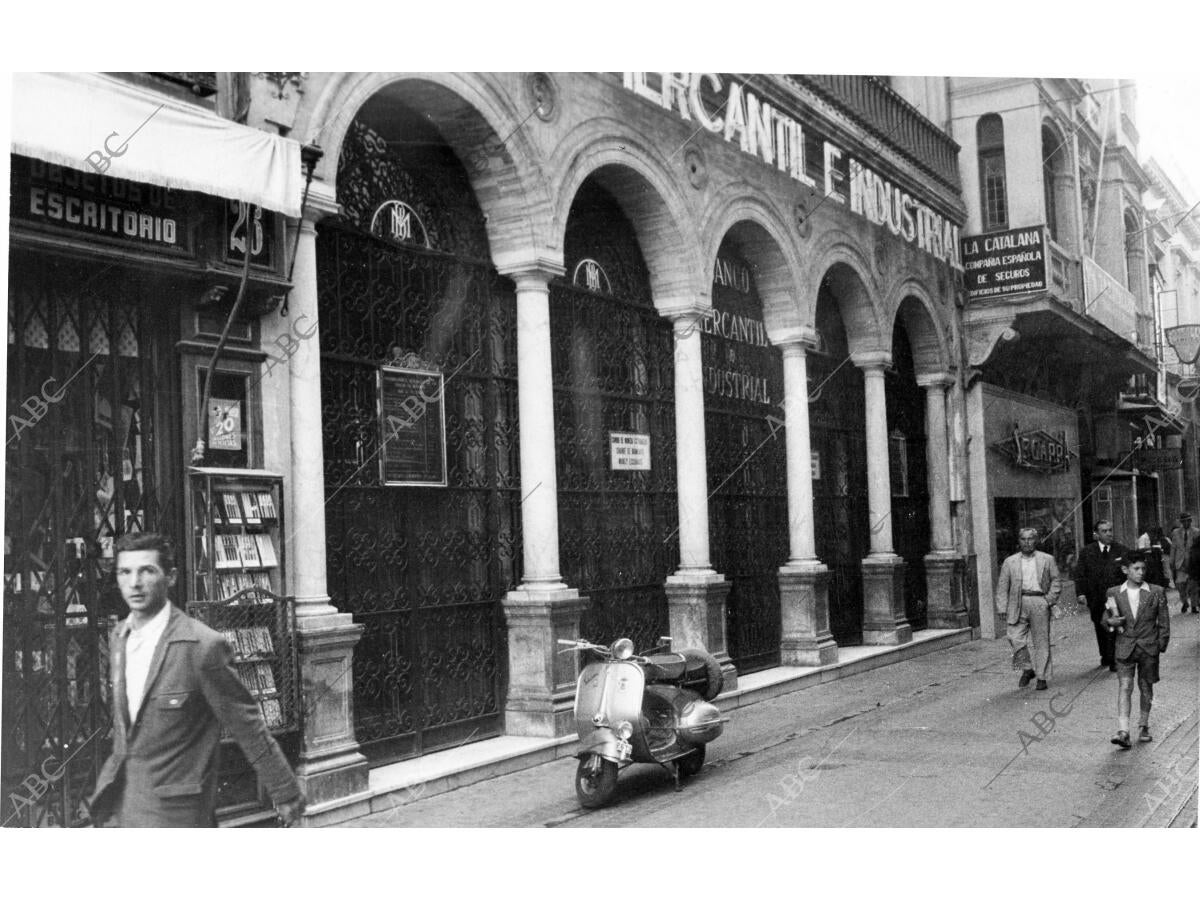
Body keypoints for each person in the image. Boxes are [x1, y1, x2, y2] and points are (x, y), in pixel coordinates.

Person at [88, 532, 304, 827]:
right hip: (123, 807)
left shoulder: (202, 646)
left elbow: (247, 723)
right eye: (125, 572)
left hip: (178, 816)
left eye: (147, 571)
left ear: (171, 576)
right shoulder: (119, 637)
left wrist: (284, 791)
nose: (134, 583)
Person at [1103, 551, 1170, 749]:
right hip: (1125, 648)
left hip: (1149, 649)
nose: (1141, 573)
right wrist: (1110, 622)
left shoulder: (1156, 591)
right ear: (1125, 570)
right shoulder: (1114, 593)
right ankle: (1123, 731)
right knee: (1125, 687)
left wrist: (1160, 645)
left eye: (1143, 569)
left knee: (1146, 687)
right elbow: (1105, 619)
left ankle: (1144, 724)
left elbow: (1164, 621)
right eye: (1136, 569)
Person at [995, 527, 1062, 690]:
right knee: (1014, 637)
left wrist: (1049, 600)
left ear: (1036, 540)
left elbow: (1056, 581)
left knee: (1041, 641)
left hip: (1040, 600)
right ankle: (1027, 668)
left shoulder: (1047, 559)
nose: (1027, 542)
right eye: (1023, 539)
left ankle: (1042, 677)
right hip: (1017, 602)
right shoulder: (1010, 561)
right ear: (1019, 541)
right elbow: (1003, 586)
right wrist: (1002, 607)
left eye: (1030, 539)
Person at [1073, 520, 1128, 671]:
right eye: (1104, 531)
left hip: (1115, 598)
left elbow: (1128, 573)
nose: (1109, 533)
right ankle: (1105, 655)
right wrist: (1081, 593)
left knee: (1115, 625)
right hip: (1095, 597)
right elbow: (1080, 574)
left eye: (1110, 530)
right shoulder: (1087, 551)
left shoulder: (1121, 550)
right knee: (1100, 626)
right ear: (1096, 534)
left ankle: (1114, 658)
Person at [1169, 512, 1195, 613]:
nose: (1185, 523)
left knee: (1193, 585)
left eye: (1187, 521)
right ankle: (1184, 602)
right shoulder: (1175, 533)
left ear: (1191, 521)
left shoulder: (1197, 532)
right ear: (1181, 522)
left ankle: (1194, 605)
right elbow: (1173, 548)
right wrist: (1171, 561)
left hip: (1192, 563)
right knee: (1180, 584)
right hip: (1180, 563)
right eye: (1183, 521)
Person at [1135, 524, 1171, 589]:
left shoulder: (1149, 538)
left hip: (1151, 555)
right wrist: (1150, 548)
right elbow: (1140, 549)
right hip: (1145, 556)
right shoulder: (1143, 538)